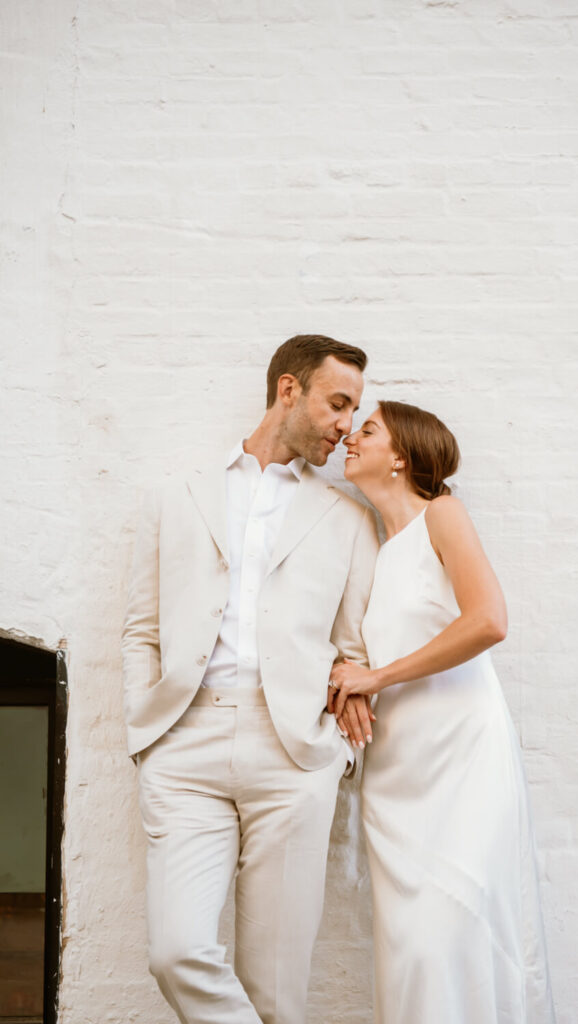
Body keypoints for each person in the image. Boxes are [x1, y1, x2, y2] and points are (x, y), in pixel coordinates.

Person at [121, 335, 379, 1024]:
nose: (345, 425)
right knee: (177, 952)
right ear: (288, 390)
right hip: (184, 747)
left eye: (353, 410)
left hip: (293, 754)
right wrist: (147, 739)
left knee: (276, 992)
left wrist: (336, 756)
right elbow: (141, 629)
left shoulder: (349, 518)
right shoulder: (175, 496)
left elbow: (353, 649)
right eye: (337, 403)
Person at [329, 400, 556, 1024]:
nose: (350, 435)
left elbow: (488, 621)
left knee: (455, 932)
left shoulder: (443, 515)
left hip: (461, 759)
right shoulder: (374, 549)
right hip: (396, 774)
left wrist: (376, 676)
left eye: (367, 429)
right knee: (409, 952)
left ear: (400, 457)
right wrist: (346, 679)